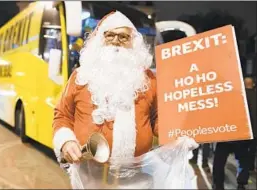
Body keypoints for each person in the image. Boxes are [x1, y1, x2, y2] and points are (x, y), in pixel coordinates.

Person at [52, 11, 198, 167]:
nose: (116, 41)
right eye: (109, 35)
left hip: (136, 176)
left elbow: (157, 118)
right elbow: (62, 116)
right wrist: (66, 141)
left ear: (133, 43)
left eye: (123, 37)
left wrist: (176, 135)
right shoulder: (80, 76)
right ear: (100, 39)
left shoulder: (148, 79)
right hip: (88, 175)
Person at [212, 77, 256, 190]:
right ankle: (241, 182)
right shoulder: (251, 96)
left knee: (219, 160)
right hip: (243, 134)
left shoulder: (228, 96)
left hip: (227, 133)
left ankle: (218, 183)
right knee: (243, 159)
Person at [244, 77, 256, 172]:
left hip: (243, 128)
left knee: (242, 151)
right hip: (254, 128)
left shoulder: (240, 95)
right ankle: (250, 166)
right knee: (252, 149)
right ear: (253, 84)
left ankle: (244, 168)